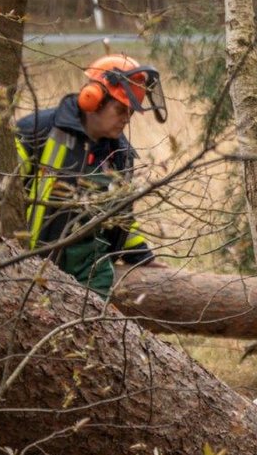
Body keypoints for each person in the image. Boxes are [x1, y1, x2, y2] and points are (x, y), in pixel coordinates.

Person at [15, 54, 168, 296]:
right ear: (93, 98)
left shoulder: (119, 154)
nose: (126, 119)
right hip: (35, 263)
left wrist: (141, 256)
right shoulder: (36, 131)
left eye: (130, 112)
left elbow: (121, 215)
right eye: (120, 109)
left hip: (92, 273)